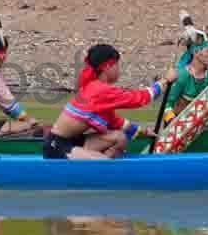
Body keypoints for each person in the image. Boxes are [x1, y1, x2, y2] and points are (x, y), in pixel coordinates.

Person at [42, 44, 177, 159]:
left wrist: (143, 131)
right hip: (56, 146)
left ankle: (105, 165)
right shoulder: (99, 90)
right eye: (117, 65)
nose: (119, 69)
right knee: (103, 163)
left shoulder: (97, 88)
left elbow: (115, 121)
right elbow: (139, 98)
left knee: (119, 137)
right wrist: (165, 80)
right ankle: (104, 168)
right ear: (108, 67)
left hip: (75, 141)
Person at [162, 12, 208, 126]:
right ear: (196, 52)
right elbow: (167, 105)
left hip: (204, 126)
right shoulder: (182, 76)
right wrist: (173, 123)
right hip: (179, 128)